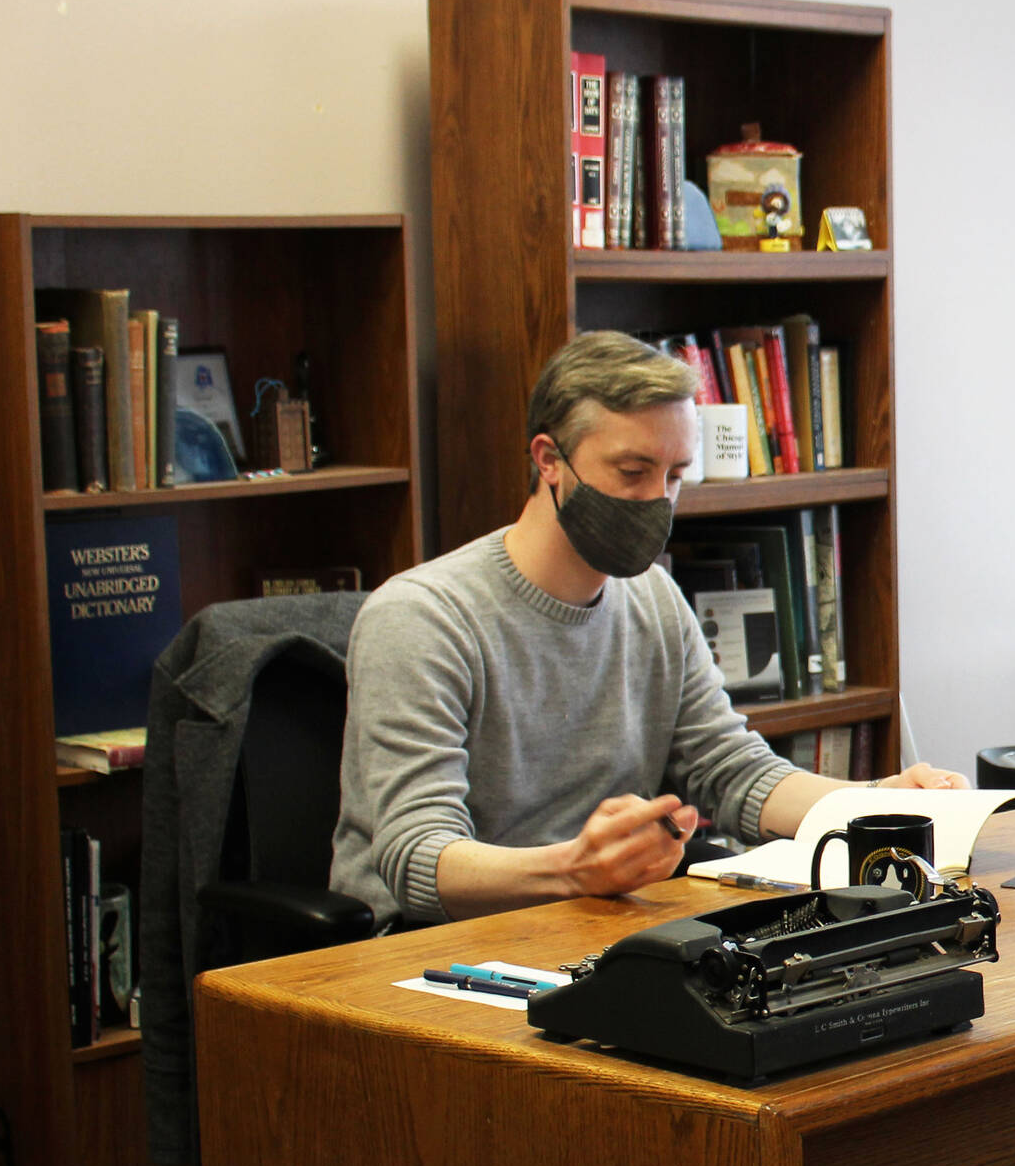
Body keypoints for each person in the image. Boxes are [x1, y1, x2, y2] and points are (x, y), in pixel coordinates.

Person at [329, 330, 967, 930]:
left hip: (585, 920)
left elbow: (733, 770)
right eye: (632, 473)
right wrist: (574, 869)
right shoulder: (423, 617)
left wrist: (876, 801)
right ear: (549, 460)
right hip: (419, 945)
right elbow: (416, 858)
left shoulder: (653, 598)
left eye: (674, 477)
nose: (656, 500)